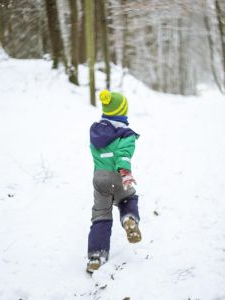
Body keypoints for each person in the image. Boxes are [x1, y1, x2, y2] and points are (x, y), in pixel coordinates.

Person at [86, 89, 142, 273]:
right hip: (119, 177)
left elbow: (103, 152)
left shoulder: (95, 132)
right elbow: (122, 154)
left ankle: (96, 256)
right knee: (128, 199)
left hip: (99, 179)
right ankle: (129, 219)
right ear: (122, 113)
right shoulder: (126, 134)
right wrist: (125, 172)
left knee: (101, 215)